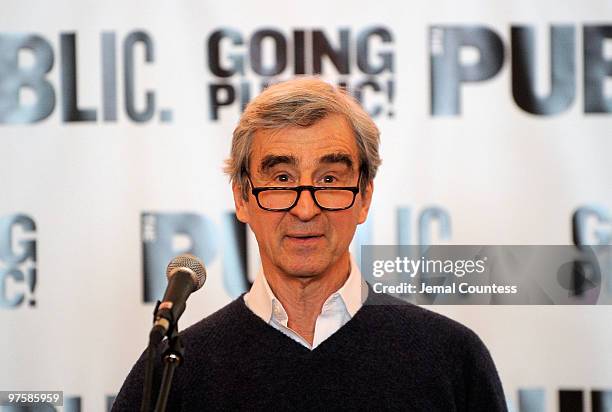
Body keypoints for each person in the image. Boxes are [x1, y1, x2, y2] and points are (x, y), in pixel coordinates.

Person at [112, 77, 508, 411]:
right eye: (281, 179)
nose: (304, 209)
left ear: (364, 197)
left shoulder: (452, 358)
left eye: (330, 180)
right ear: (243, 198)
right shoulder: (173, 371)